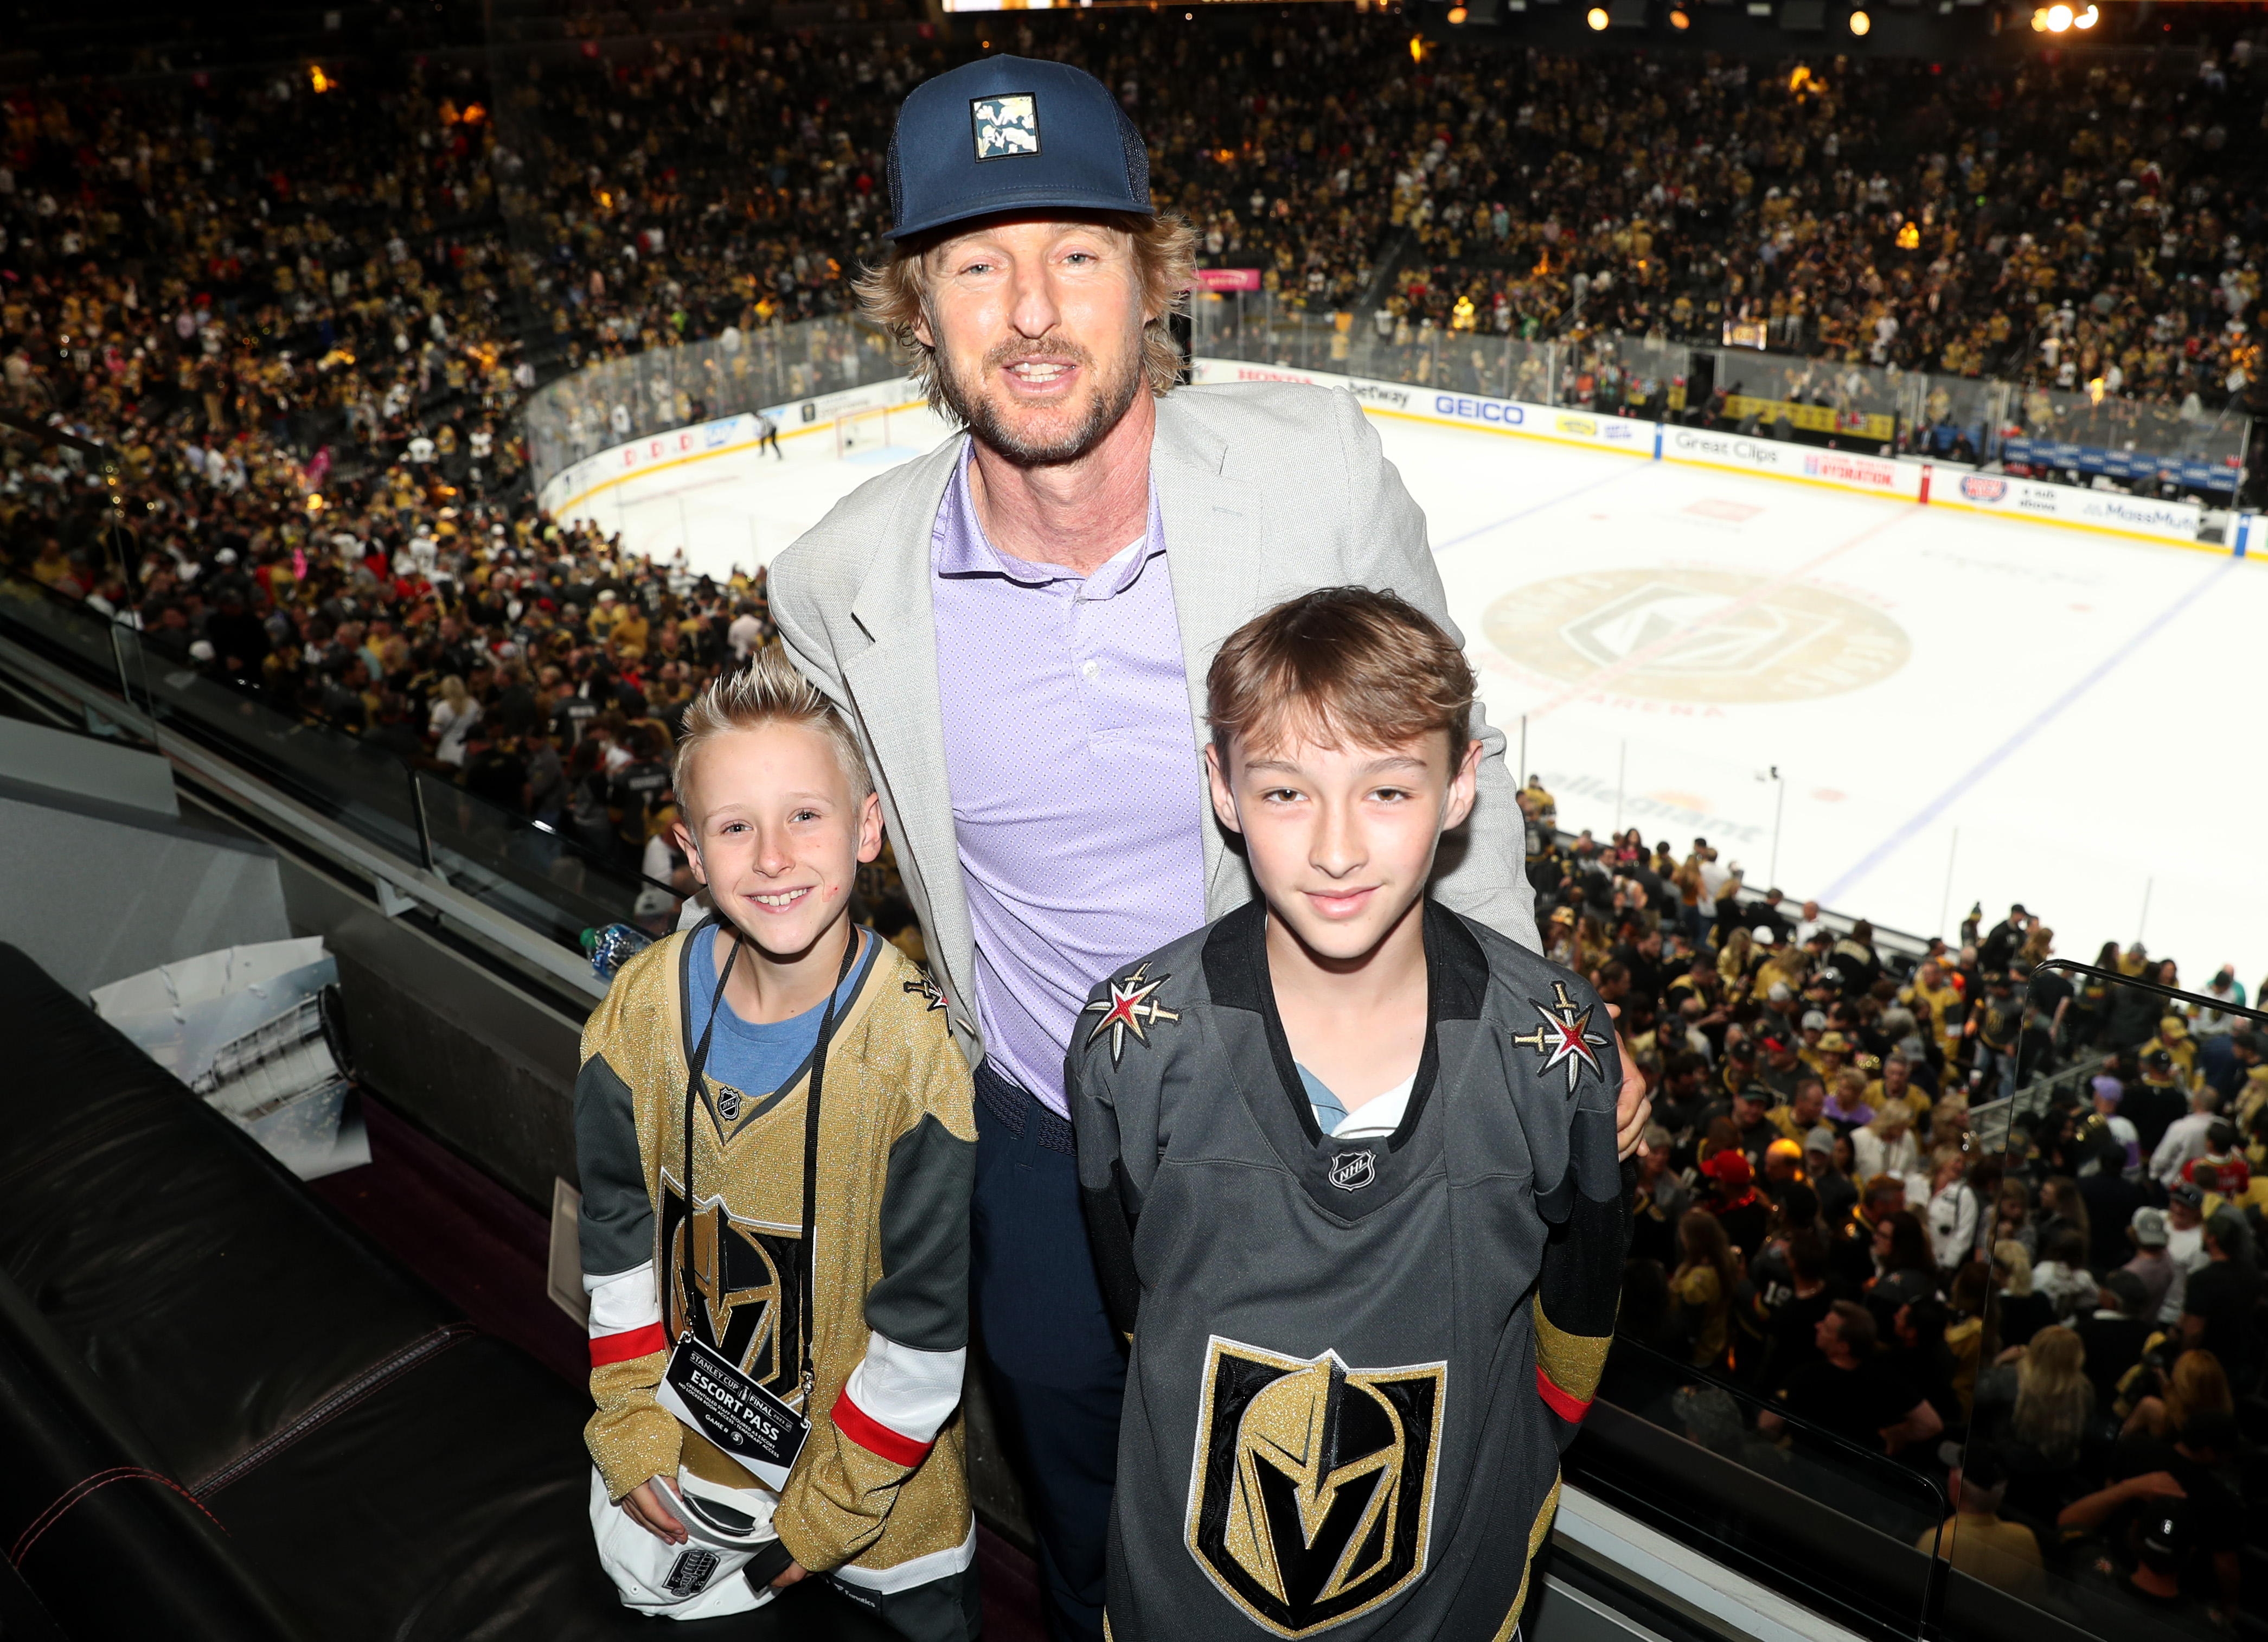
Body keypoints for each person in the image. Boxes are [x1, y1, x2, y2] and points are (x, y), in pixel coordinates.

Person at [771, 57, 1647, 1641]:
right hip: (1041, 1142)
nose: (1030, 310)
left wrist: (1529, 1017)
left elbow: (1454, 749)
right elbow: (824, 847)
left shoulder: (1312, 472)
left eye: (1075, 256)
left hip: (1321, 1128)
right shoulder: (837, 579)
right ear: (915, 308)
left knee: (1349, 1528)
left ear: (1152, 278)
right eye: (976, 264)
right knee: (1106, 1521)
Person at [1069, 590, 1629, 1641]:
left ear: (1462, 784)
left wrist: (1522, 1446)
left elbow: (1581, 1303)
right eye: (1286, 791)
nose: (1335, 848)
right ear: (1223, 788)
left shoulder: (1554, 1047)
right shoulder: (1133, 1039)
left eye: (1386, 790)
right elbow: (1142, 1294)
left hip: (1453, 1585)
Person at [571, 655, 981, 1633]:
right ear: (690, 853)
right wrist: (627, 1416)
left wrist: (831, 1511)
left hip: (885, 1516)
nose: (771, 856)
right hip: (692, 1465)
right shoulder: (636, 1008)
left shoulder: (917, 1061)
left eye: (805, 814)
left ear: (868, 828)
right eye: (733, 826)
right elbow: (619, 1236)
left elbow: (922, 1334)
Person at [1760, 1302, 1942, 1457]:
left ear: (1843, 1346)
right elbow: (1930, 1424)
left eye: (1826, 1326)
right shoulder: (1887, 1378)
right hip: (1863, 1478)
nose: (1818, 1326)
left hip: (1805, 1472)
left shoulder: (1803, 1376)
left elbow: (1768, 1424)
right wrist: (1890, 1435)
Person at [1915, 1448, 2043, 1602]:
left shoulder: (1937, 1542)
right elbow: (2036, 1601)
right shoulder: (2025, 1538)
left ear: (1957, 1484)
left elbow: (1916, 1599)